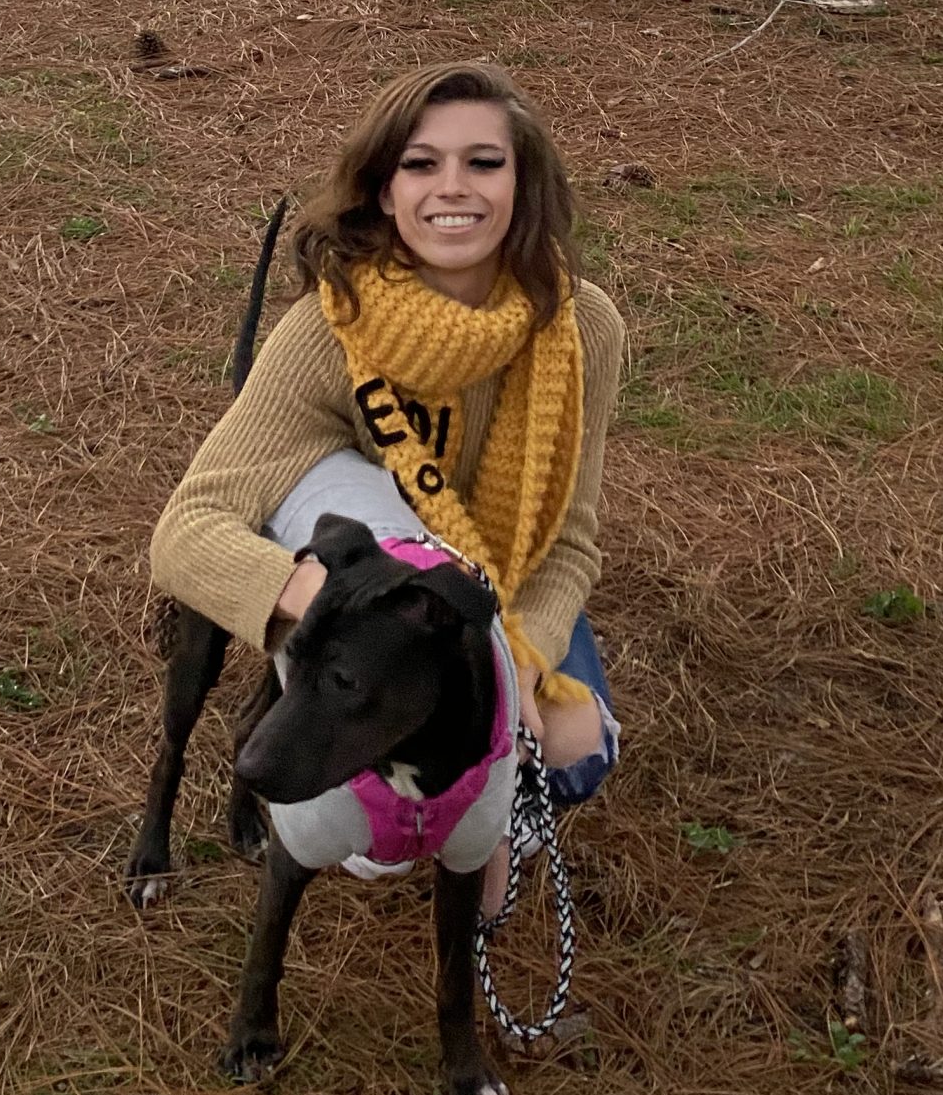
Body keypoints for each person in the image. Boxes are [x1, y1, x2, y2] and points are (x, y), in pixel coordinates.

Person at [149, 61, 625, 903]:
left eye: (484, 162)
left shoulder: (581, 326)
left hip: (497, 588)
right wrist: (318, 599)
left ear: (525, 181)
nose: (454, 189)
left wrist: (522, 667)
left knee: (578, 753)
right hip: (378, 586)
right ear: (381, 188)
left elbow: (573, 538)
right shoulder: (327, 327)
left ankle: (490, 831)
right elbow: (187, 531)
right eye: (420, 163)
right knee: (376, 822)